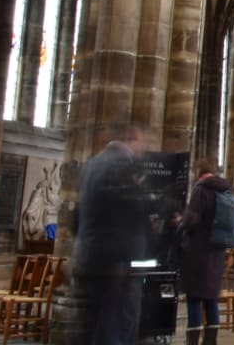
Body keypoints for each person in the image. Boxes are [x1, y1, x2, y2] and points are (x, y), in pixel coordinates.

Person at [71, 122, 153, 345]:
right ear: (132, 138)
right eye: (142, 140)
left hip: (91, 260)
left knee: (96, 327)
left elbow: (76, 217)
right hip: (117, 267)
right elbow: (127, 212)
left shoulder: (92, 165)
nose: (144, 147)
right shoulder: (121, 166)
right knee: (115, 329)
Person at [177, 158, 230, 345]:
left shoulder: (200, 190)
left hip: (199, 252)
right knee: (210, 299)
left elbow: (191, 220)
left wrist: (179, 223)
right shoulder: (224, 190)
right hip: (217, 253)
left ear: (198, 172)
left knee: (194, 298)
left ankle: (192, 341)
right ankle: (210, 341)